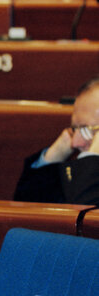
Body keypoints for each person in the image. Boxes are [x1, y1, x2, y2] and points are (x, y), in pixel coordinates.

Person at [14, 76, 99, 205]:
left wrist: (91, 159)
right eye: (75, 129)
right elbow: (25, 209)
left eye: (85, 129)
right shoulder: (85, 174)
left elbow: (85, 218)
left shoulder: (89, 172)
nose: (75, 143)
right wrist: (52, 158)